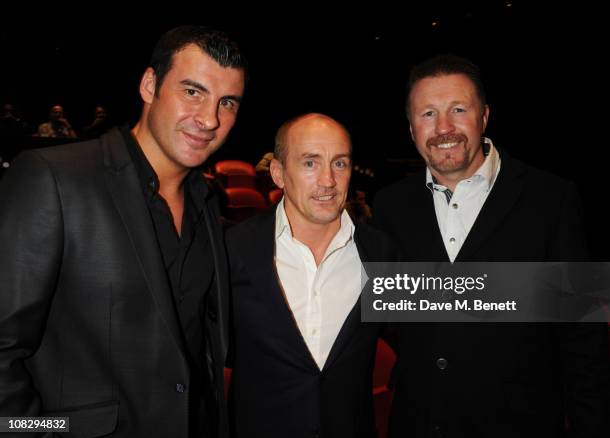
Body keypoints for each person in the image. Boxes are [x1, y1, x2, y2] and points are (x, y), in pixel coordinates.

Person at [0, 26, 246, 438]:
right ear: (150, 85)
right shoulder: (54, 178)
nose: (209, 119)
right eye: (192, 92)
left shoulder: (207, 203)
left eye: (227, 102)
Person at [372, 54, 610, 437]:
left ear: (484, 117)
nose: (443, 127)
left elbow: (584, 339)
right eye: (428, 113)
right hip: (418, 422)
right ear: (411, 127)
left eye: (458, 109)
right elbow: (392, 315)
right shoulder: (389, 206)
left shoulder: (553, 199)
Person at [226, 113, 396, 438]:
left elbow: (445, 325)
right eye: (310, 164)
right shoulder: (231, 249)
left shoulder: (382, 253)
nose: (328, 181)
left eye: (340, 163)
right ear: (278, 173)